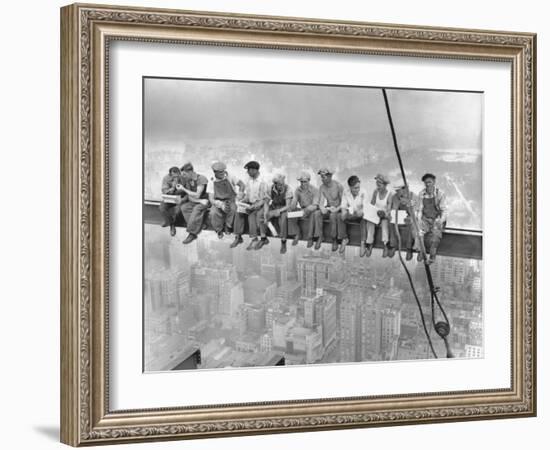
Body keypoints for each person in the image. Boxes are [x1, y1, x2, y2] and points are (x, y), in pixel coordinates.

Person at [232, 161, 270, 250]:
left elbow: (264, 199)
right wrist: (241, 201)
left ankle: (255, 239)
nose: (248, 172)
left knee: (252, 215)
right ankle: (238, 236)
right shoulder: (249, 181)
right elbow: (248, 196)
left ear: (254, 170)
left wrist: (253, 206)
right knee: (239, 212)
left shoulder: (262, 181)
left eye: (249, 170)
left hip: (260, 205)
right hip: (250, 204)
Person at [206, 161, 244, 240]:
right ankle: (218, 230)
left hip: (231, 199)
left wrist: (239, 196)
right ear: (215, 172)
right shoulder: (211, 181)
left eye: (223, 171)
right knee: (213, 213)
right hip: (218, 201)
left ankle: (228, 226)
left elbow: (242, 185)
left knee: (233, 209)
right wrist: (220, 204)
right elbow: (211, 198)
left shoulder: (230, 176)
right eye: (220, 173)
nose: (222, 174)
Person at [417, 173, 447, 264]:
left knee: (435, 237)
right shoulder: (421, 193)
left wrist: (440, 221)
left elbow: (444, 210)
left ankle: (432, 256)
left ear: (434, 182)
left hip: (436, 219)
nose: (427, 184)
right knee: (419, 233)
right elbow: (420, 210)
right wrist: (419, 220)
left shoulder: (440, 193)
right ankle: (421, 251)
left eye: (429, 182)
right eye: (426, 182)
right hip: (425, 218)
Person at [314, 168, 346, 252]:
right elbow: (321, 202)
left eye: (323, 177)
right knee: (317, 213)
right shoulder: (322, 187)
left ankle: (334, 239)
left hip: (338, 209)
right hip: (329, 208)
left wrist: (336, 209)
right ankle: (320, 236)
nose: (322, 179)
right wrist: (323, 208)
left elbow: (344, 203)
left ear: (329, 176)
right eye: (321, 177)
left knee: (333, 216)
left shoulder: (338, 186)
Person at [288, 171, 322, 249]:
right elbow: (294, 201)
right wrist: (291, 206)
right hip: (302, 210)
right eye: (301, 182)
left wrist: (306, 210)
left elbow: (315, 205)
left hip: (312, 209)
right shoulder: (298, 190)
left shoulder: (315, 190)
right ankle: (297, 233)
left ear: (309, 181)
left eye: (305, 182)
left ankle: (310, 238)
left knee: (313, 214)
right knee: (290, 214)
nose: (303, 184)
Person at [179, 162, 210, 245]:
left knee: (197, 209)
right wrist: (198, 201)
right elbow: (190, 196)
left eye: (185, 174)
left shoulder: (201, 179)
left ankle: (192, 234)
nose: (183, 176)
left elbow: (197, 195)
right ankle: (199, 225)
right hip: (198, 201)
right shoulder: (188, 180)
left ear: (190, 172)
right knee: (184, 207)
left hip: (205, 201)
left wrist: (184, 189)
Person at [365, 174, 394, 257]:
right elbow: (372, 204)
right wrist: (371, 212)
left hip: (384, 216)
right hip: (375, 214)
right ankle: (369, 244)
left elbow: (389, 209)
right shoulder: (375, 191)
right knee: (370, 222)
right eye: (377, 183)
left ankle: (385, 245)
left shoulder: (389, 194)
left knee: (385, 224)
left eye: (379, 184)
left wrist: (384, 213)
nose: (378, 186)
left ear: (385, 185)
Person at [264, 174, 293, 254]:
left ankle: (283, 241)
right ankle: (272, 234)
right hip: (274, 206)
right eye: (279, 185)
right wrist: (266, 213)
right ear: (275, 184)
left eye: (282, 184)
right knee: (265, 217)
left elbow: (288, 205)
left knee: (283, 219)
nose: (281, 186)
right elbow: (266, 202)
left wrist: (278, 211)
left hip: (284, 208)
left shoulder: (288, 189)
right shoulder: (270, 188)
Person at [340, 175, 368, 256]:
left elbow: (365, 207)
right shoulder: (346, 192)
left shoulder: (363, 192)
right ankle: (344, 238)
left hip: (360, 215)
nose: (357, 190)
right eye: (355, 188)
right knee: (340, 217)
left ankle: (363, 243)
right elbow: (343, 206)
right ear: (350, 187)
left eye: (358, 187)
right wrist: (344, 213)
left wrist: (360, 211)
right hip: (351, 214)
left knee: (364, 219)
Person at [389, 185, 419, 261]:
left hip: (410, 218)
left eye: (398, 190)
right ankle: (393, 246)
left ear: (405, 189)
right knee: (391, 223)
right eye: (396, 191)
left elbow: (416, 212)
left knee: (411, 224)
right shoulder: (395, 197)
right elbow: (393, 209)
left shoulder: (413, 196)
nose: (397, 192)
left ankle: (409, 248)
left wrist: (407, 204)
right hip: (399, 217)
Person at [159, 166, 186, 236]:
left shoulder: (183, 178)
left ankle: (177, 222)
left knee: (179, 210)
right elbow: (164, 190)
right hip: (170, 197)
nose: (176, 178)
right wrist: (172, 188)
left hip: (180, 197)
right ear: (170, 175)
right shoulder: (166, 178)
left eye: (177, 176)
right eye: (174, 177)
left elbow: (187, 190)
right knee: (162, 208)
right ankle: (171, 224)